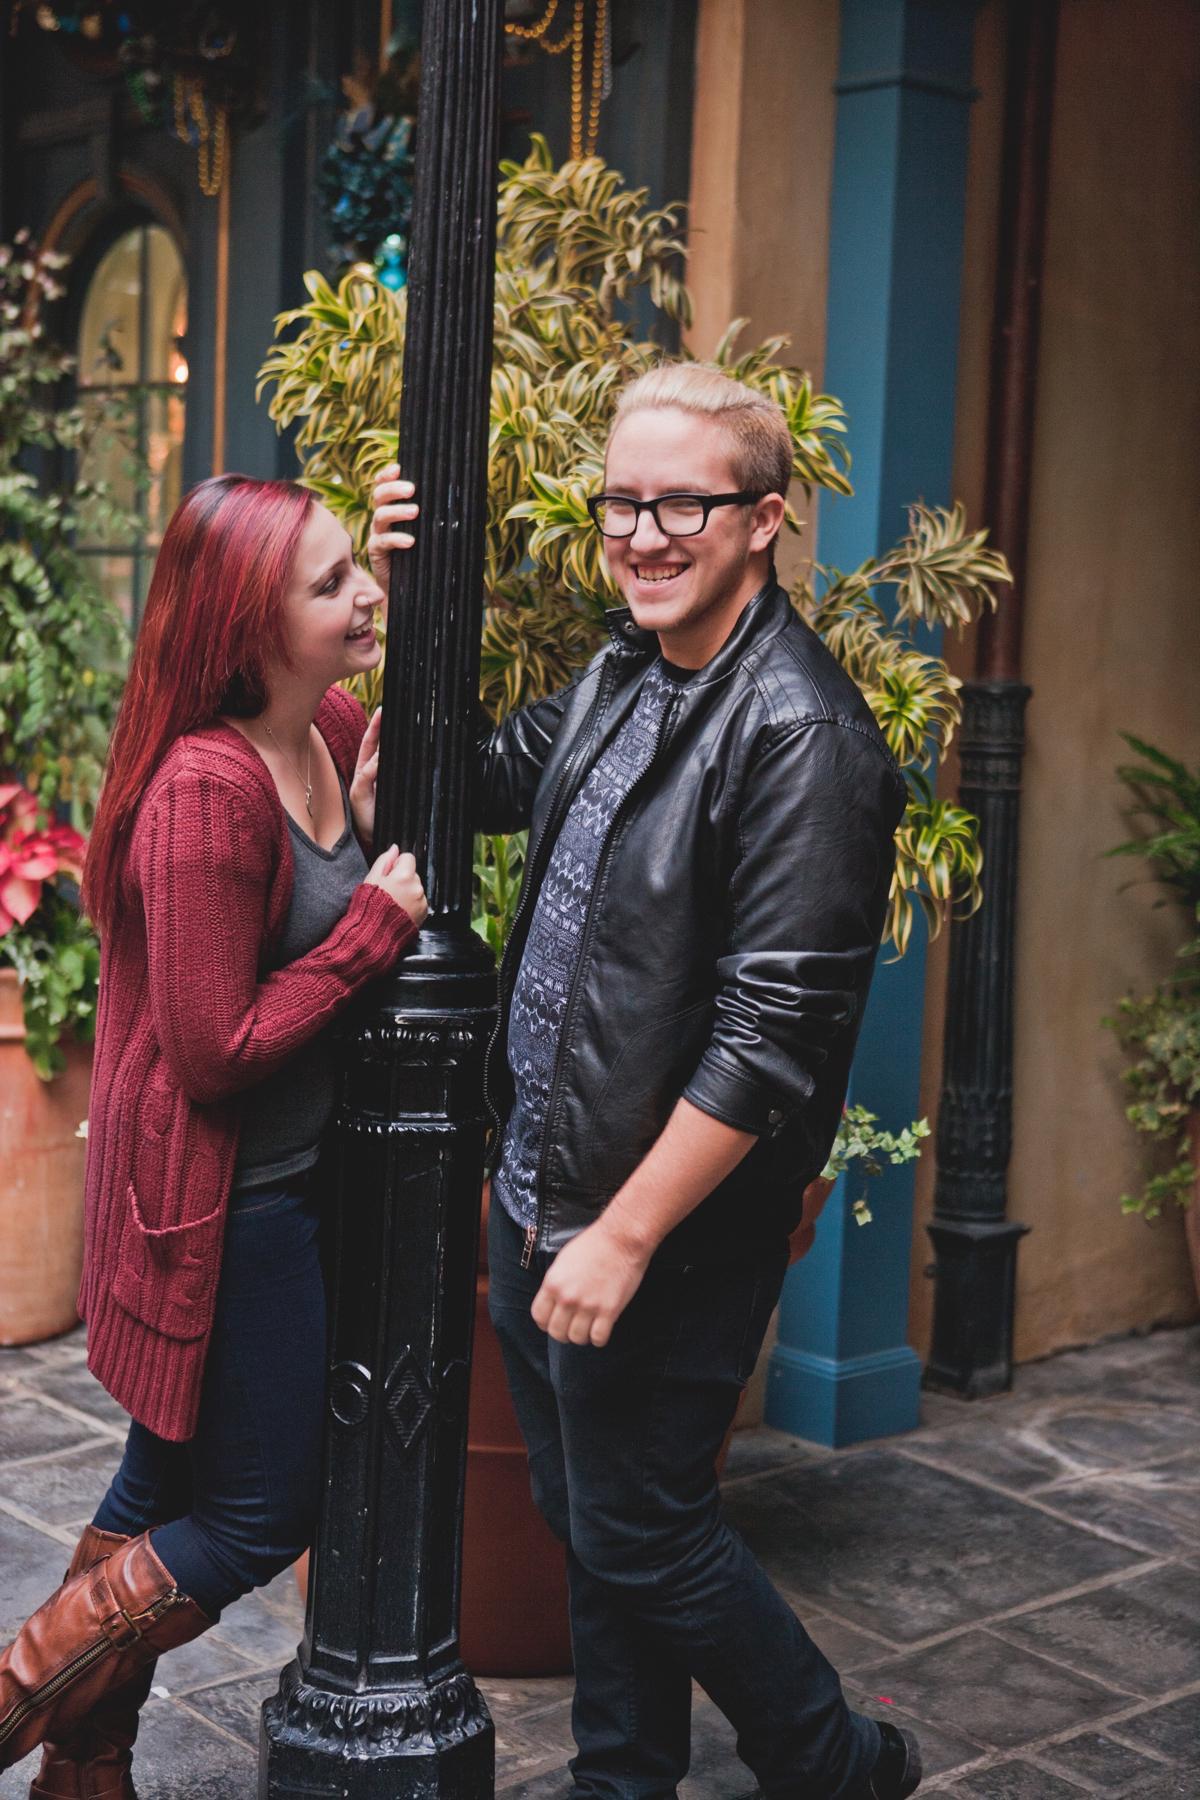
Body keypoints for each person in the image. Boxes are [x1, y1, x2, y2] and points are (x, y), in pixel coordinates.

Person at [374, 361, 919, 1800]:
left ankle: (833, 1758)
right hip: (546, 1178)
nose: (643, 532)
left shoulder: (802, 736)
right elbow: (479, 777)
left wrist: (625, 1230)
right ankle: (628, 1775)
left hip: (662, 1226)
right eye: (622, 500)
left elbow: (771, 1035)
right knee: (593, 1511)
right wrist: (396, 596)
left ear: (765, 520)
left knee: (645, 1524)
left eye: (685, 501)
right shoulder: (627, 670)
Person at [0, 474, 426, 1793]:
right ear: (248, 631)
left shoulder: (318, 726)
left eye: (356, 569)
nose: (357, 597)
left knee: (155, 1482)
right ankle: (15, 1694)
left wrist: (400, 582)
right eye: (328, 583)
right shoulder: (208, 791)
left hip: (267, 1186)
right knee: (256, 1514)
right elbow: (211, 1047)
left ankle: (85, 1763)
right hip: (224, 1205)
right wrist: (368, 938)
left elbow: (384, 690)